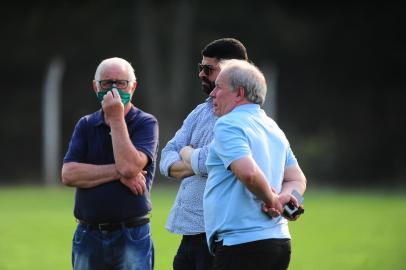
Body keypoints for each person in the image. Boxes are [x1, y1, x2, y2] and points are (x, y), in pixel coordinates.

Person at [204, 59, 307, 270]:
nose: (212, 94)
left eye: (218, 87)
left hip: (241, 245)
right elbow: (298, 179)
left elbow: (248, 173)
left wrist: (273, 202)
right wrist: (290, 197)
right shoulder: (272, 127)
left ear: (239, 93)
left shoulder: (228, 124)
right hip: (279, 242)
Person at [159, 38, 249, 270]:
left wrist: (188, 153)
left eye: (208, 69)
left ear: (232, 71)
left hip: (217, 235)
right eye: (200, 68)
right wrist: (197, 161)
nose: (201, 74)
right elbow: (167, 154)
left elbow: (214, 159)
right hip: (189, 234)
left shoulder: (241, 116)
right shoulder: (201, 111)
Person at [61, 57, 159, 270]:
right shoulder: (86, 124)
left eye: (121, 82)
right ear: (95, 86)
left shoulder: (145, 123)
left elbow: (130, 166)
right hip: (88, 234)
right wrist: (120, 173)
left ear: (133, 86)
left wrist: (116, 119)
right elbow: (69, 174)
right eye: (106, 83)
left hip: (131, 233)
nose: (113, 88)